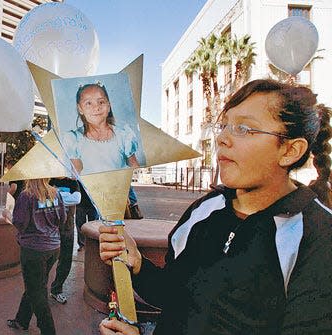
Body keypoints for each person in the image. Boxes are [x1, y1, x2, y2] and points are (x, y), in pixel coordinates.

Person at [98, 79, 332, 334]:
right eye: (223, 126)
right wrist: (139, 264)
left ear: (290, 150)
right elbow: (174, 294)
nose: (222, 138)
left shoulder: (316, 236)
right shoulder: (206, 208)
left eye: (243, 128)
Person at [4, 178, 66, 335]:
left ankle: (48, 331)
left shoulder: (26, 196)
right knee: (36, 286)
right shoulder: (55, 194)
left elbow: (20, 223)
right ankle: (21, 320)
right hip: (53, 247)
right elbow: (62, 219)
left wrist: (7, 215)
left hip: (33, 250)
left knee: (37, 292)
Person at [64, 83, 140, 175]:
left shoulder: (123, 136)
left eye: (101, 102)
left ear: (108, 106)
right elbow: (75, 173)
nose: (96, 107)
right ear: (80, 109)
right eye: (88, 103)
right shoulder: (74, 139)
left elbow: (135, 167)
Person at [49, 177, 81, 304]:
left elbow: (77, 199)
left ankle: (56, 289)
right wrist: (66, 197)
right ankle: (40, 288)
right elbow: (46, 199)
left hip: (67, 228)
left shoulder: (73, 182)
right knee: (48, 258)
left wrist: (57, 197)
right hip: (51, 228)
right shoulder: (51, 181)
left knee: (66, 260)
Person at [75, 180, 99, 251]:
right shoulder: (78, 177)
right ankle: (82, 244)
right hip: (81, 203)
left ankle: (93, 243)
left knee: (94, 225)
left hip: (93, 204)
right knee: (80, 224)